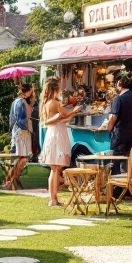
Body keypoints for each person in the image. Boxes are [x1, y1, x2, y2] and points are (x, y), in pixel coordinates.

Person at [40, 78, 81, 207]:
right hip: (57, 134)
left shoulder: (46, 104)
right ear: (55, 90)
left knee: (54, 169)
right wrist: (74, 110)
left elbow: (62, 119)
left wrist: (72, 113)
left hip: (52, 133)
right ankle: (53, 199)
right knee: (56, 168)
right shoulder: (55, 103)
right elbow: (64, 115)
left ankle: (53, 198)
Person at [105, 74, 132, 173]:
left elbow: (113, 117)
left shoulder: (118, 99)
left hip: (120, 136)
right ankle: (128, 185)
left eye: (116, 84)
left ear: (119, 84)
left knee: (116, 163)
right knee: (128, 163)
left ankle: (117, 186)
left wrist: (109, 127)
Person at [7, 84, 34, 189]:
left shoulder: (19, 102)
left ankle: (14, 178)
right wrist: (28, 126)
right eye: (30, 91)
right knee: (21, 157)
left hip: (22, 132)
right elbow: (19, 120)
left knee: (23, 157)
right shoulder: (19, 102)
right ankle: (11, 180)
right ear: (26, 92)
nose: (31, 93)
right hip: (21, 132)